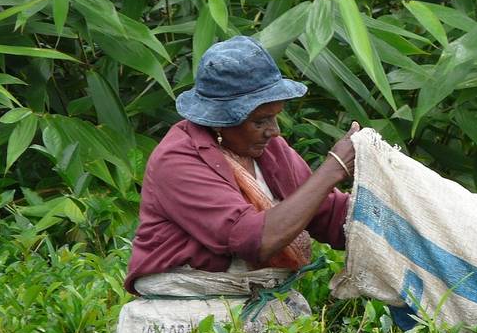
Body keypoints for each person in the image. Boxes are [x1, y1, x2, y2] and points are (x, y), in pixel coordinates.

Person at [124, 35, 358, 299]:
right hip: (190, 298)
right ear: (219, 120)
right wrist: (333, 168)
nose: (275, 131)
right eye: (260, 121)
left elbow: (324, 212)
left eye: (275, 117)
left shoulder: (269, 149)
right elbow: (255, 240)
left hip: (254, 293)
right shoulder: (177, 160)